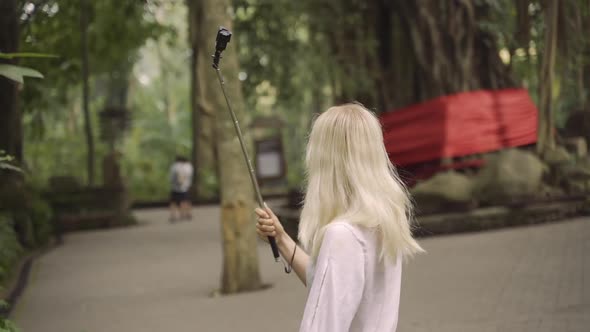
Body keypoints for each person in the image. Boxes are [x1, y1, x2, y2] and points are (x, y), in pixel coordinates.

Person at [255, 103, 424, 332]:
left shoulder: (342, 235)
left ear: (325, 159)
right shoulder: (382, 220)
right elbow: (330, 286)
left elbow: (323, 324)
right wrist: (283, 239)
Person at [169, 156, 193, 222]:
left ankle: (174, 215)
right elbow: (188, 176)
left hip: (175, 187)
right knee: (185, 200)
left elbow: (171, 177)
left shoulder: (175, 166)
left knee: (174, 202)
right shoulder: (188, 166)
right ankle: (186, 214)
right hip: (184, 187)